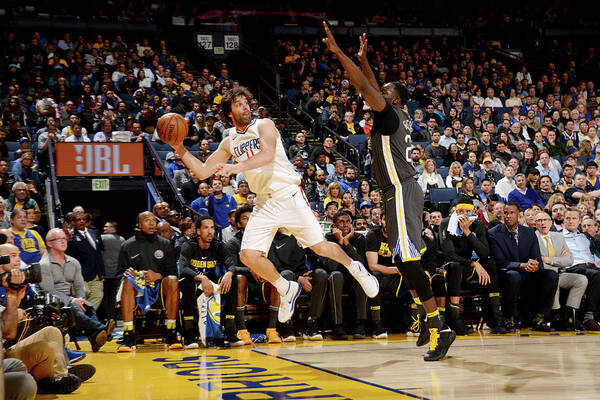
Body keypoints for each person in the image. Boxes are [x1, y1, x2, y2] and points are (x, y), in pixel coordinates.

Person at [170, 85, 378, 326]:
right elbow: (204, 171)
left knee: (320, 246)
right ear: (228, 113)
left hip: (288, 194)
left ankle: (356, 268)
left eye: (246, 102)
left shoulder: (264, 124)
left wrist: (236, 168)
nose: (245, 107)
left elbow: (267, 155)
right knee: (248, 256)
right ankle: (285, 287)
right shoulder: (229, 141)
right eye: (238, 104)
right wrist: (181, 149)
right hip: (264, 202)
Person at [322, 25, 454, 361]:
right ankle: (427, 316)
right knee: (402, 260)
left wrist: (339, 53)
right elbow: (369, 84)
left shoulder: (391, 115)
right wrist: (364, 59)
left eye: (385, 90)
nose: (378, 92)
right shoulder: (395, 114)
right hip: (396, 191)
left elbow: (363, 86)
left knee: (408, 261)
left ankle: (440, 326)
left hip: (400, 189)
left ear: (394, 99)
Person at [1, 243, 94, 394]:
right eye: (12, 256)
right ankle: (51, 376)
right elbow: (7, 331)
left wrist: (17, 299)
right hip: (6, 348)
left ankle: (59, 377)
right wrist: (14, 304)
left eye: (18, 255)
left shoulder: (13, 281)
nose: (18, 260)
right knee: (43, 348)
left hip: (9, 342)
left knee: (51, 330)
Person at [39, 228, 115, 352]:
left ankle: (96, 337)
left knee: (87, 305)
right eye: (58, 239)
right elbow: (49, 291)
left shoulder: (73, 262)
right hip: (52, 300)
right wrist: (72, 300)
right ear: (49, 243)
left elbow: (80, 286)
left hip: (69, 297)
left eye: (64, 238)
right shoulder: (44, 264)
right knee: (70, 306)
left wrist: (80, 299)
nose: (63, 241)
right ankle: (101, 329)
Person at [440, 197, 507, 334]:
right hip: (450, 265)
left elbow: (484, 253)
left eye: (467, 211)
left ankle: (496, 316)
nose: (464, 214)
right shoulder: (446, 223)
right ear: (456, 212)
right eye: (460, 211)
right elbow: (449, 255)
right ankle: (455, 319)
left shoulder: (478, 225)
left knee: (489, 263)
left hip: (468, 265)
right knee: (455, 266)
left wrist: (468, 233)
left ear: (474, 211)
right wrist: (474, 264)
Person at [488, 203, 559, 331]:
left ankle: (540, 317)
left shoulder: (529, 232)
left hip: (527, 272)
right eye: (506, 213)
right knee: (513, 276)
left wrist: (535, 266)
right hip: (506, 272)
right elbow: (499, 261)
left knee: (551, 275)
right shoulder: (493, 233)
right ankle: (509, 317)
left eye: (511, 213)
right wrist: (521, 265)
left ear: (518, 215)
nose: (508, 216)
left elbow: (536, 256)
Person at [117, 212, 181, 351]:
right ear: (139, 225)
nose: (152, 223)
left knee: (172, 279)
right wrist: (126, 273)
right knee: (127, 280)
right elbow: (118, 273)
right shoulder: (127, 245)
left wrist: (158, 275)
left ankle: (171, 332)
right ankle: (128, 335)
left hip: (159, 288)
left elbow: (172, 271)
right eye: (147, 220)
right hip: (136, 289)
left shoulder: (165, 243)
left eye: (154, 220)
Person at [178, 215, 239, 347]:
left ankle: (230, 330)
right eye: (206, 228)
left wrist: (229, 273)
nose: (210, 231)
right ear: (198, 231)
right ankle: (189, 334)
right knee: (186, 284)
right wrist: (201, 277)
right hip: (193, 282)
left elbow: (231, 264)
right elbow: (183, 269)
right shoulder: (188, 245)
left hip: (210, 283)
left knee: (233, 281)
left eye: (212, 228)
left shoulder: (219, 245)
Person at [534, 212, 588, 330]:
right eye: (539, 220)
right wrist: (558, 262)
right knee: (553, 278)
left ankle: (571, 315)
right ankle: (556, 314)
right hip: (543, 275)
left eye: (545, 220)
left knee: (581, 279)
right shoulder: (533, 237)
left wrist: (551, 260)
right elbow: (537, 261)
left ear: (550, 222)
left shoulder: (558, 236)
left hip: (560, 272)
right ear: (535, 223)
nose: (543, 223)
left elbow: (569, 260)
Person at [561, 207, 600, 330]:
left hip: (592, 267)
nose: (571, 221)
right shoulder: (558, 237)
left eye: (574, 218)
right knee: (596, 275)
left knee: (596, 273)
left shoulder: (586, 237)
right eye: (568, 218)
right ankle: (588, 317)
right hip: (573, 267)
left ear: (579, 222)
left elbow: (595, 255)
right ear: (563, 220)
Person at [66, 212, 104, 310]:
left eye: (83, 219)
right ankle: (85, 320)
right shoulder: (70, 236)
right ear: (73, 222)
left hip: (96, 273)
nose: (82, 221)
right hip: (80, 274)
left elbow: (98, 252)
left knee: (98, 295)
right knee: (83, 297)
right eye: (79, 220)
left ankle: (86, 317)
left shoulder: (94, 232)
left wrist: (101, 271)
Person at [100, 221, 125, 321]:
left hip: (104, 273)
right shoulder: (122, 240)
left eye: (107, 227)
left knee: (105, 296)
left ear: (113, 228)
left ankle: (107, 316)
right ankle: (113, 317)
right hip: (116, 273)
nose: (104, 228)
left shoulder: (101, 238)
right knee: (113, 295)